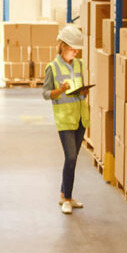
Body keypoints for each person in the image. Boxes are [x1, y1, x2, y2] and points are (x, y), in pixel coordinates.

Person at [43, 24, 89, 214]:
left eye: (77, 49)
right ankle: (67, 199)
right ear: (62, 45)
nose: (75, 52)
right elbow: (46, 94)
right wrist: (60, 90)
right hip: (64, 119)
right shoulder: (52, 68)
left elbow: (81, 88)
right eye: (72, 48)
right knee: (70, 157)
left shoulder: (79, 64)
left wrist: (84, 91)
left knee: (73, 158)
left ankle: (64, 194)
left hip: (80, 118)